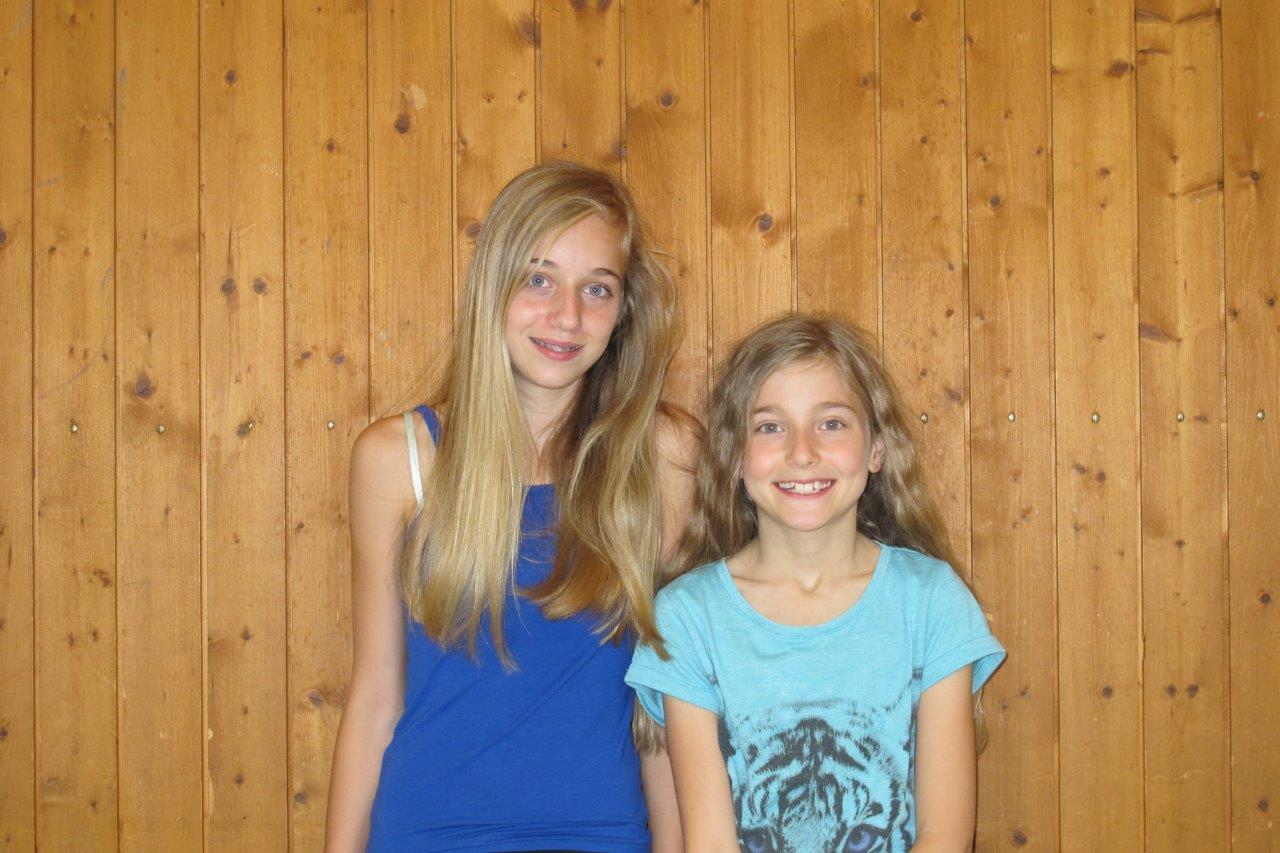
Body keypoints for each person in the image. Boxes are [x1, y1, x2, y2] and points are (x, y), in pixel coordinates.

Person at [325, 162, 697, 852]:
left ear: (623, 311)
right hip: (424, 835)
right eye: (539, 279)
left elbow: (668, 709)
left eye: (597, 288)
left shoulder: (664, 456)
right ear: (492, 285)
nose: (568, 315)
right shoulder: (397, 458)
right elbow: (376, 697)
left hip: (601, 836)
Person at [625, 313, 1004, 851]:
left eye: (831, 423)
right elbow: (709, 842)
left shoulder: (931, 601)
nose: (802, 452)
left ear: (877, 448)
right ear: (733, 456)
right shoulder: (688, 617)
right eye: (770, 426)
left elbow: (944, 840)